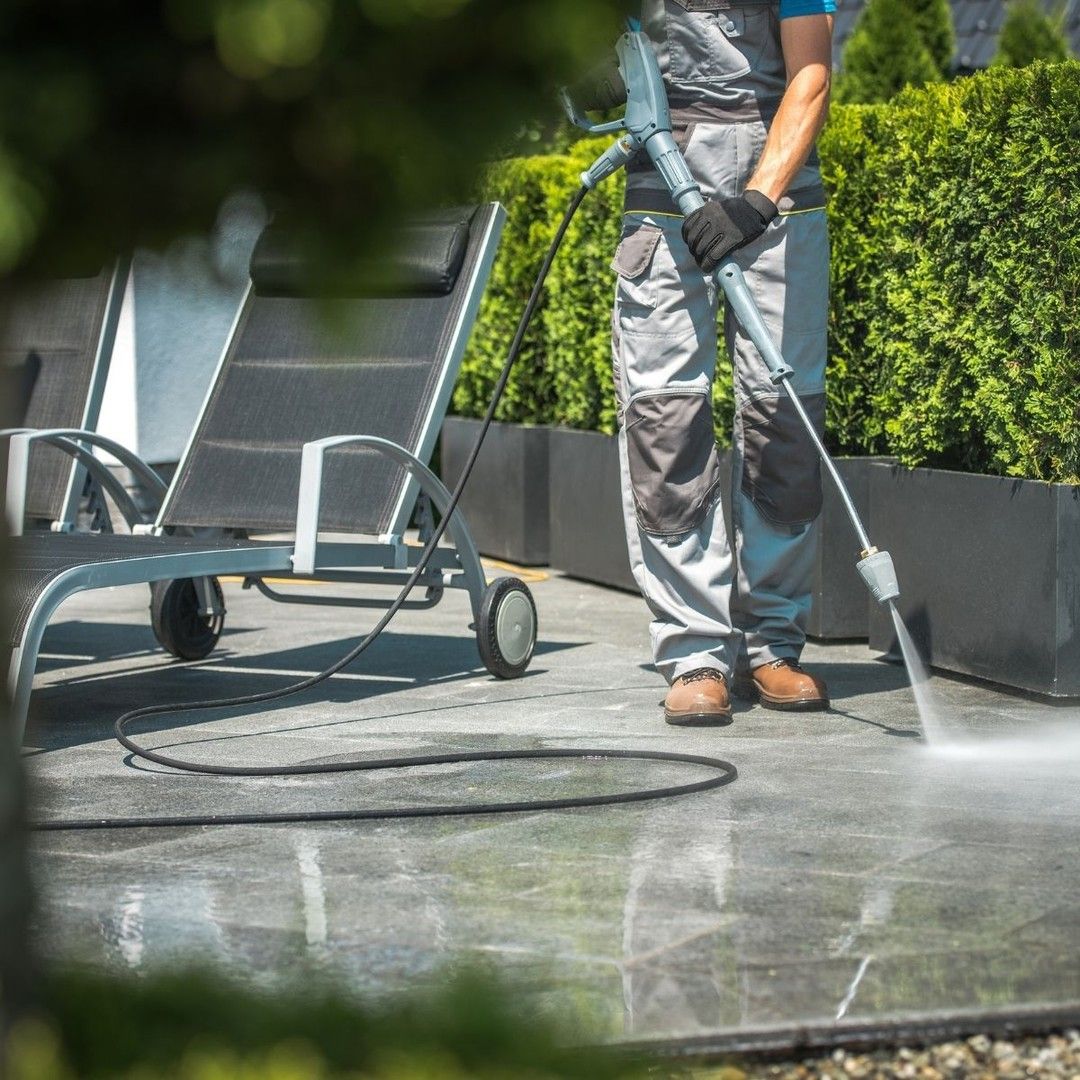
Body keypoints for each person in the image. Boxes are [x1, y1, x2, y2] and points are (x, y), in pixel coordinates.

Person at [612, 0, 835, 725]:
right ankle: (695, 653)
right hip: (663, 184)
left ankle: (773, 643)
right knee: (664, 418)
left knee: (784, 419)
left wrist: (755, 202)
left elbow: (810, 73)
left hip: (777, 197)